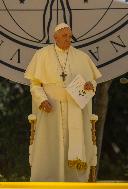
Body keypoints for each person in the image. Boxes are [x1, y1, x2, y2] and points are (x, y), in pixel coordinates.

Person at [25, 23, 102, 181]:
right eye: (65, 36)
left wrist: (90, 85)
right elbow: (34, 84)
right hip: (51, 109)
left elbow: (93, 82)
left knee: (73, 147)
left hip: (75, 109)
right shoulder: (42, 55)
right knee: (51, 148)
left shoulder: (81, 57)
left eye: (70, 36)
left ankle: (74, 182)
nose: (69, 39)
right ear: (55, 38)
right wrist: (42, 100)